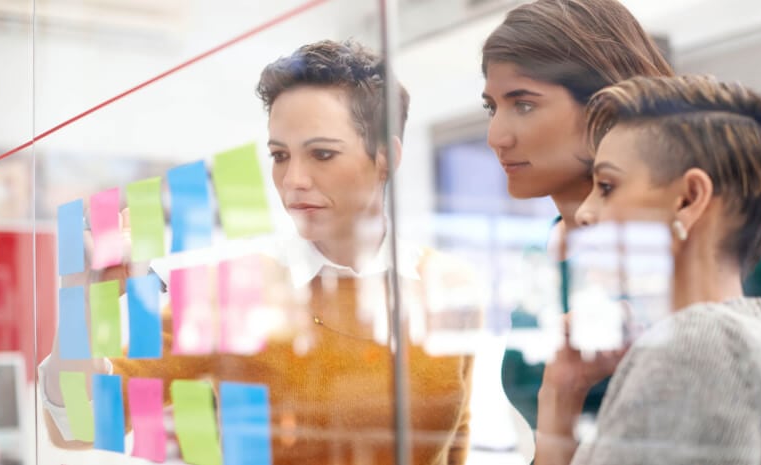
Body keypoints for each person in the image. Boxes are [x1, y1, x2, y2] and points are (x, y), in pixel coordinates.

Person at [39, 39, 480, 465]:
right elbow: (79, 425)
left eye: (322, 154)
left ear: (386, 158)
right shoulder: (232, 288)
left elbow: (454, 443)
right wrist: (78, 293)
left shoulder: (449, 283)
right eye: (280, 155)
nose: (293, 180)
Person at [480, 0, 761, 430]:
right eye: (492, 107)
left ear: (604, 101)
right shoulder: (539, 261)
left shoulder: (741, 251)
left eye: (523, 104)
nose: (495, 137)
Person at [534, 74, 761, 464]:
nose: (584, 213)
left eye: (608, 186)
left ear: (688, 199)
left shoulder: (695, 345)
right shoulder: (735, 336)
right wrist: (560, 398)